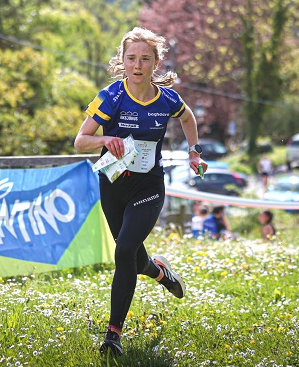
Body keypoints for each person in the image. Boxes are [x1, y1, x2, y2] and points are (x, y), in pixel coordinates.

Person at [74, 27, 208, 356]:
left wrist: (194, 152)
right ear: (122, 61)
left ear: (156, 63)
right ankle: (160, 272)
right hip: (113, 184)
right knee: (132, 254)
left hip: (149, 185)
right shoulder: (111, 97)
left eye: (145, 59)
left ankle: (113, 334)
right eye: (131, 58)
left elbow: (188, 118)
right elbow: (80, 141)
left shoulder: (167, 99)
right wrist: (106, 140)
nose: (137, 65)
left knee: (124, 251)